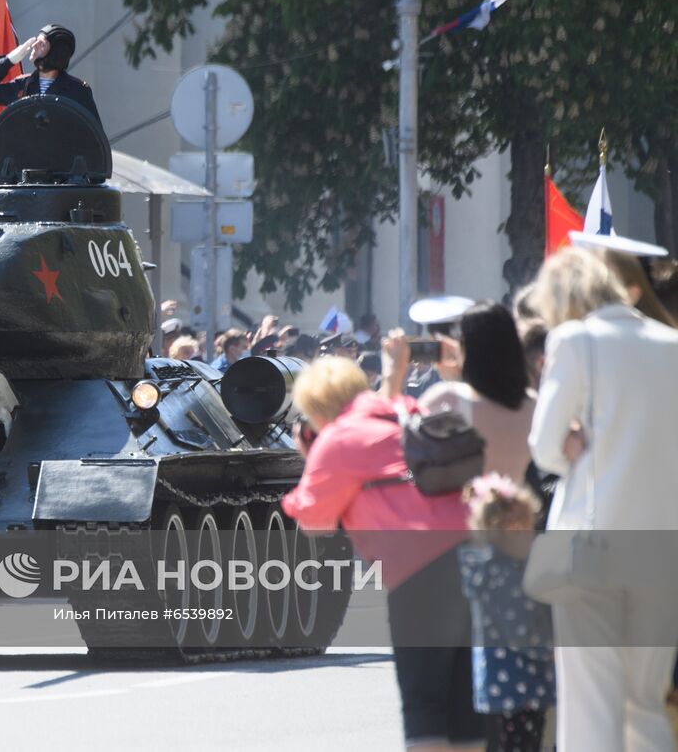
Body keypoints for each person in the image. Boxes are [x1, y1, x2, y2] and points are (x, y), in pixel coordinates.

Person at [282, 352, 482, 752]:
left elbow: (314, 521)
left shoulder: (340, 440)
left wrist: (311, 456)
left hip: (418, 573)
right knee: (464, 702)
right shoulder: (405, 410)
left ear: (317, 408)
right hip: (473, 555)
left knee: (424, 702)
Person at [527, 247, 678, 751]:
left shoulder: (574, 339)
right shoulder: (670, 342)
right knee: (645, 705)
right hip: (662, 550)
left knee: (591, 708)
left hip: (592, 550)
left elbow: (545, 449)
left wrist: (570, 441)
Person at [456, 474, 554, 752]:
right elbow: (522, 630)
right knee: (524, 745)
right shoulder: (510, 575)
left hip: (495, 684)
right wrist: (549, 649)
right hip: (521, 684)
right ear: (513, 528)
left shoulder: (482, 568)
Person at [417, 302, 537, 485]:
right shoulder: (533, 404)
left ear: (466, 348)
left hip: (462, 511)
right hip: (517, 509)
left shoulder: (448, 398)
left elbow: (405, 459)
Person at [0, 23, 100, 125]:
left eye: (42, 44)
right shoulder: (23, 85)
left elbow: (94, 136)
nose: (34, 45)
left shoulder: (78, 91)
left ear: (56, 54)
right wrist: (9, 60)